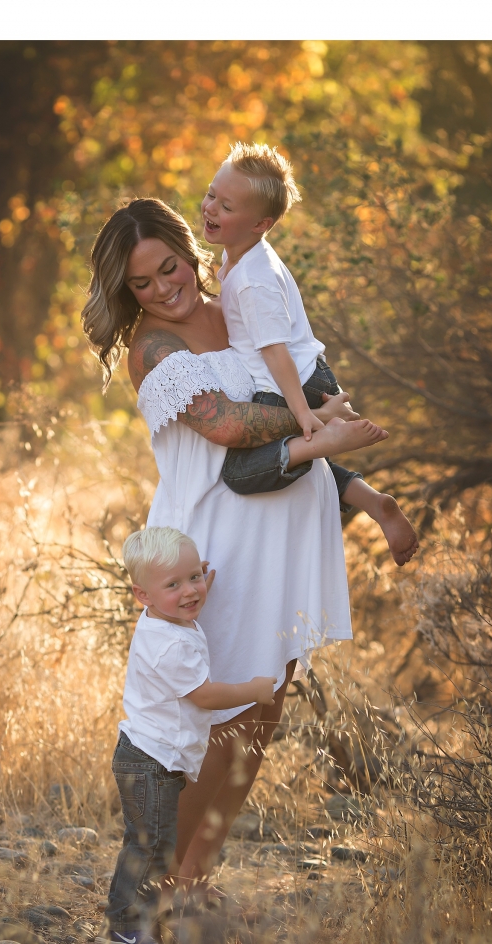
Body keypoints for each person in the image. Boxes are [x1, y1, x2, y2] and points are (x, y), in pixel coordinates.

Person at [81, 198, 385, 904]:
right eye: (142, 285)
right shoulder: (154, 348)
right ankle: (154, 888)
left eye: (169, 267)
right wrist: (319, 425)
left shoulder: (242, 307)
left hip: (275, 535)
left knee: (263, 712)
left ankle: (194, 879)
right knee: (204, 725)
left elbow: (302, 369)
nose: (163, 289)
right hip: (210, 542)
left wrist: (343, 463)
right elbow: (228, 426)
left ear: (189, 252)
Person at [204, 141, 419, 566]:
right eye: (212, 194)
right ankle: (376, 503)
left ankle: (329, 433)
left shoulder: (253, 279)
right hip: (310, 377)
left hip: (291, 384)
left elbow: (275, 351)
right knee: (299, 458)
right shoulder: (241, 260)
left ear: (260, 223)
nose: (211, 208)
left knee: (240, 472)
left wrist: (306, 416)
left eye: (226, 206)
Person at [94, 526, 275, 944]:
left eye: (194, 577)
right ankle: (123, 928)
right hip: (150, 761)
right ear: (143, 595)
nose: (190, 591)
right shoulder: (169, 646)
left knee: (155, 844)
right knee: (149, 846)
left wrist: (188, 589)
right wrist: (253, 690)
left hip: (154, 757)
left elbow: (180, 596)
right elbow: (205, 696)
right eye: (173, 584)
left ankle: (139, 920)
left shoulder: (162, 616)